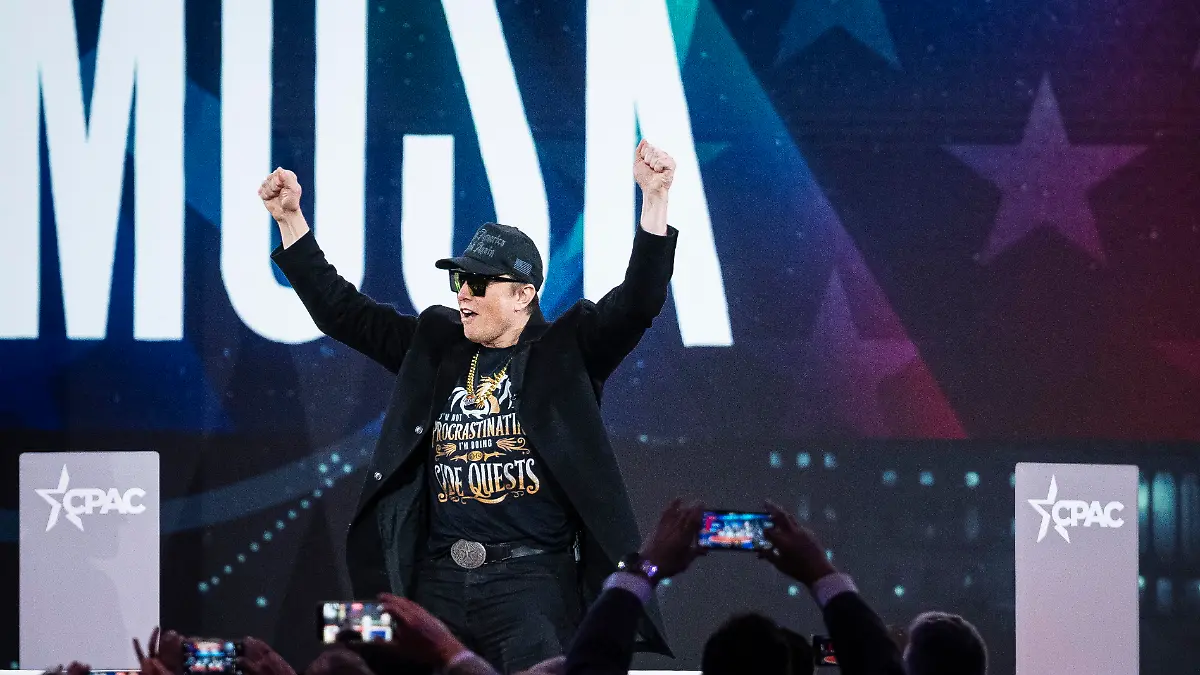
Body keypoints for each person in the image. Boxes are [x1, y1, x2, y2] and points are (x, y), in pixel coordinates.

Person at [259, 140, 677, 672]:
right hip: (437, 580)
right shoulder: (437, 343)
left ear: (523, 295)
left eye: (479, 283)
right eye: (459, 280)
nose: (463, 295)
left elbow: (639, 300)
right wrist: (291, 221)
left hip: (530, 588)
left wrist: (656, 198)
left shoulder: (569, 349)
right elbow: (344, 313)